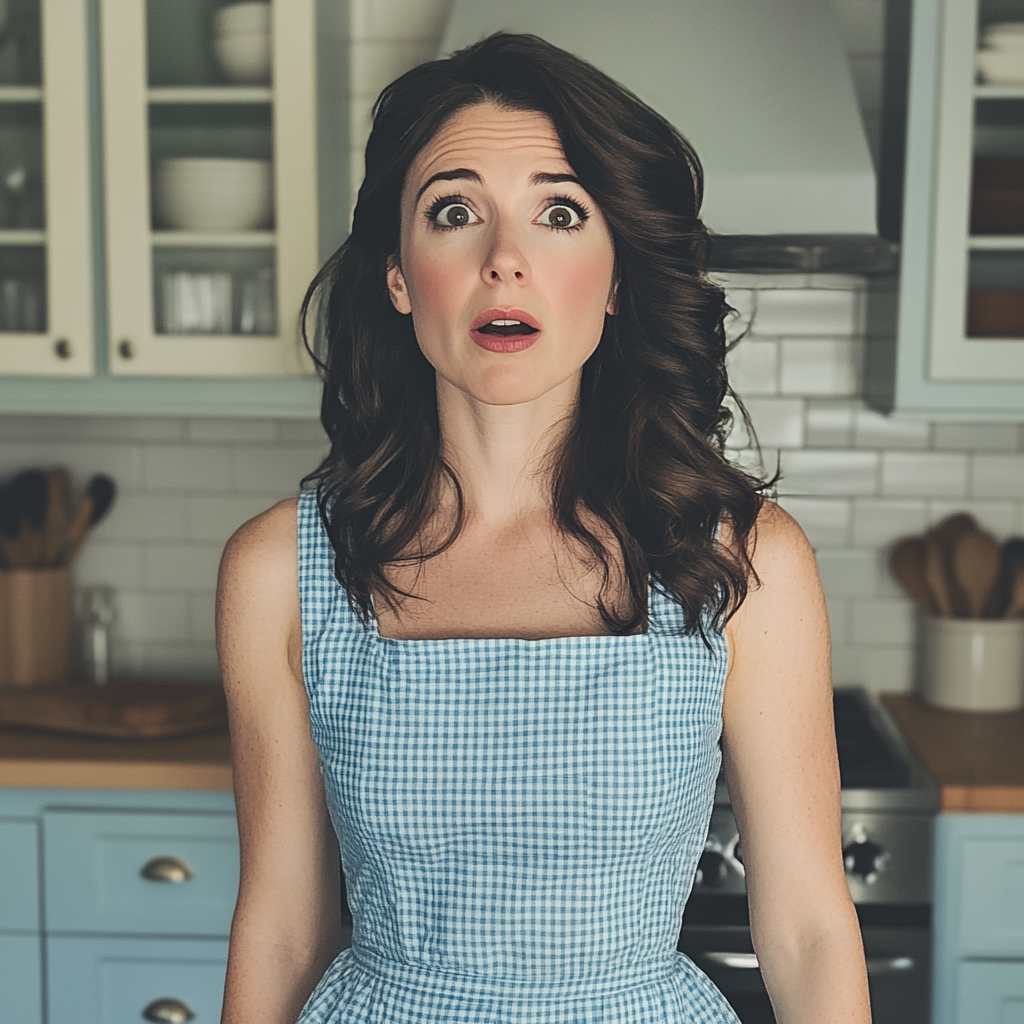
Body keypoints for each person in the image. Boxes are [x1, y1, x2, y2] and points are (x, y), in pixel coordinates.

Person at [216, 32, 871, 1024]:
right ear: (398, 275)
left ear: (614, 280)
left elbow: (808, 931)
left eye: (558, 213)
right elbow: (281, 928)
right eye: (454, 212)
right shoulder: (280, 569)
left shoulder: (740, 559)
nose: (504, 260)